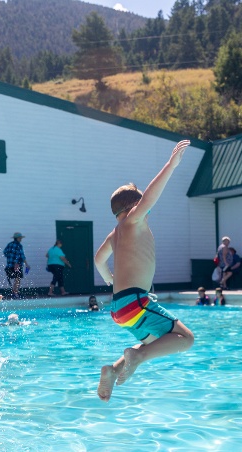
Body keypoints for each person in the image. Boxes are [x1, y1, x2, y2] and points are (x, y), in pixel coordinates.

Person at [94, 140, 195, 402]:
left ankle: (113, 370)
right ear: (133, 208)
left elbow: (98, 260)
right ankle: (136, 357)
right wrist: (171, 165)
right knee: (185, 339)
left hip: (120, 309)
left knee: (157, 341)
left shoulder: (115, 233)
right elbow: (151, 195)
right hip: (135, 302)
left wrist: (110, 280)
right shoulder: (133, 221)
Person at [3, 233, 29, 299]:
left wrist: (10, 257)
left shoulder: (9, 244)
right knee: (17, 278)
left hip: (9, 265)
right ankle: (16, 293)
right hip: (17, 265)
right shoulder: (18, 245)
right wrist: (26, 264)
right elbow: (22, 256)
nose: (21, 239)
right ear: (17, 238)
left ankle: (13, 292)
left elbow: (5, 252)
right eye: (20, 238)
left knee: (12, 278)